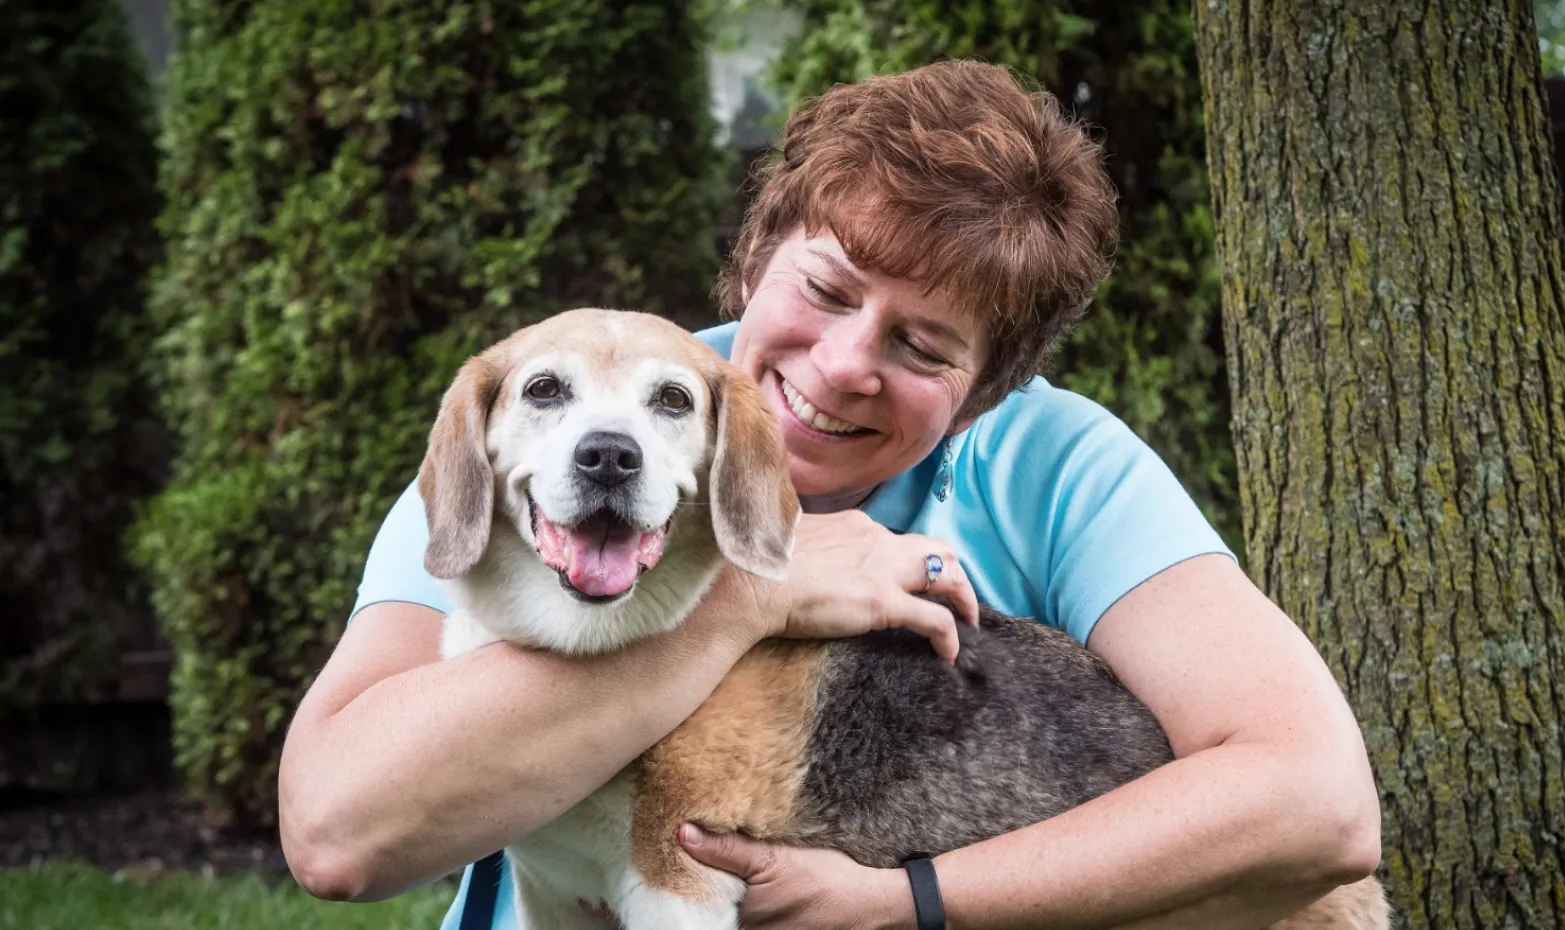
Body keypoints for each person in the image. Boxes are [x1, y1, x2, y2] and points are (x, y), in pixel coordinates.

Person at [278, 60, 1382, 929]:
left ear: (986, 386)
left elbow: (1313, 802)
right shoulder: (553, 439)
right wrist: (759, 595)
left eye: (921, 343)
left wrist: (909, 905)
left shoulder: (1055, 462)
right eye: (825, 288)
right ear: (757, 257)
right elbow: (338, 836)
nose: (846, 363)